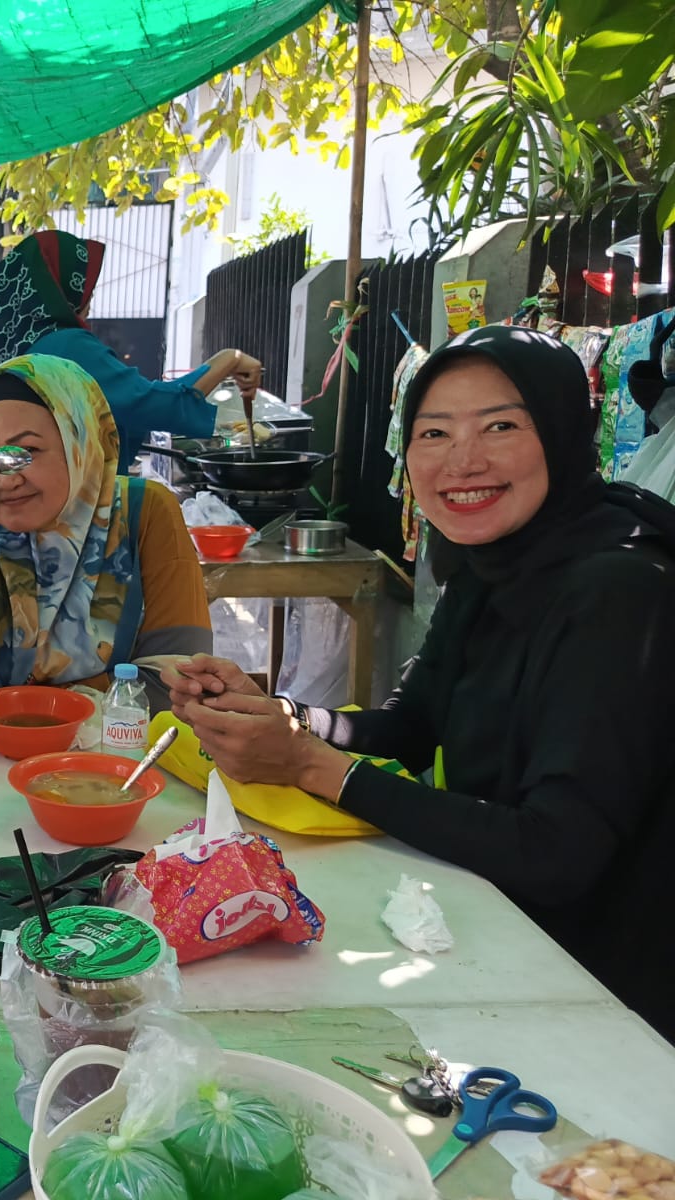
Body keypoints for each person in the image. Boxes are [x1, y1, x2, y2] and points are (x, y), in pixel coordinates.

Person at [163, 325, 675, 1040]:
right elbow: (410, 726)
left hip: (607, 997)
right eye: (434, 433)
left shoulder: (623, 590)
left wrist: (310, 765)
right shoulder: (494, 560)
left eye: (501, 426)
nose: (463, 461)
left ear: (563, 434)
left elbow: (556, 853)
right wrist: (277, 715)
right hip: (497, 926)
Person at [0, 354, 211, 723]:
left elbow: (177, 689)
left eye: (26, 452)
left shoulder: (143, 513)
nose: (5, 481)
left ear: (80, 444)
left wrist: (15, 708)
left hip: (107, 758)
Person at [0, 230, 260, 470]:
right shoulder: (67, 347)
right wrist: (229, 359)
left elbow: (131, 405)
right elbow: (158, 406)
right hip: (78, 511)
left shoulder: (23, 353)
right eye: (85, 286)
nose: (90, 297)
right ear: (59, 287)